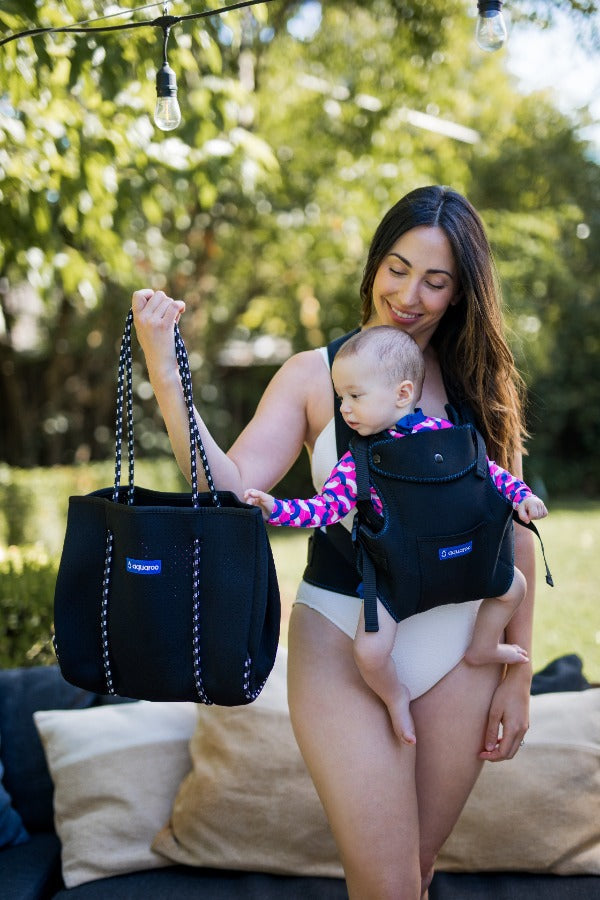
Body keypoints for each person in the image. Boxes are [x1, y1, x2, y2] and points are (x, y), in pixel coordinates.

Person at [132, 185, 537, 900]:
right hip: (343, 642)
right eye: (398, 268)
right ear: (375, 263)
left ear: (461, 293)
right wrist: (167, 372)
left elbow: (514, 531)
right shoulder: (315, 376)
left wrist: (517, 674)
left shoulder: (480, 385)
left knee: (413, 874)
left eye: (436, 281)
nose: (410, 294)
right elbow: (229, 490)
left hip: (465, 649)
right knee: (384, 884)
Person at [243, 325, 547, 746]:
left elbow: (492, 475)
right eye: (341, 397)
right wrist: (275, 508)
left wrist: (523, 498)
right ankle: (394, 696)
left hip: (457, 563)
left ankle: (482, 646)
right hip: (396, 578)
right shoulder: (355, 462)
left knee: (514, 586)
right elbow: (323, 510)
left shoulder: (446, 436)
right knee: (369, 652)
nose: (344, 407)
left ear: (403, 394)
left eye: (355, 395)